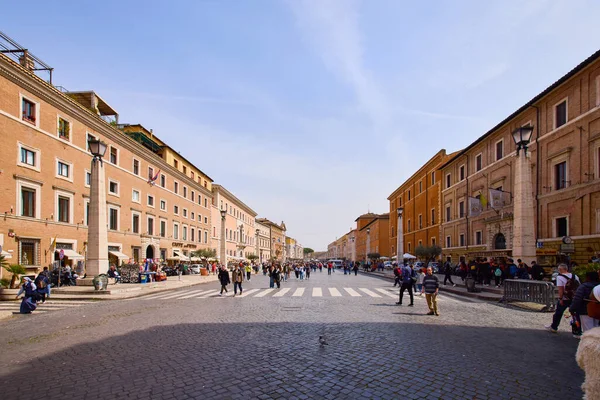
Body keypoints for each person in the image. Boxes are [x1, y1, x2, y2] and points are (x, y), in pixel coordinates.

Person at [547, 263, 580, 333]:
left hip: (565, 298)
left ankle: (554, 327)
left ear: (560, 269)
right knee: (576, 314)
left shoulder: (559, 277)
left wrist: (560, 298)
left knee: (558, 313)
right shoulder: (575, 276)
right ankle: (578, 330)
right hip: (574, 298)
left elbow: (560, 289)